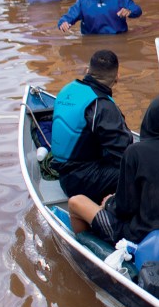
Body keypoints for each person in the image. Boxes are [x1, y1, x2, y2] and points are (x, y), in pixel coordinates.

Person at [67, 95, 159, 245]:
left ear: (148, 120)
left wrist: (108, 203)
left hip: (139, 236)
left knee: (75, 202)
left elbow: (124, 208)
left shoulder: (134, 152)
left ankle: (88, 249)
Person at [50, 50, 133, 202]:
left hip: (63, 172)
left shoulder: (68, 89)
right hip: (82, 181)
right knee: (138, 170)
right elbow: (125, 153)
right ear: (117, 77)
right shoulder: (102, 105)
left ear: (88, 70)